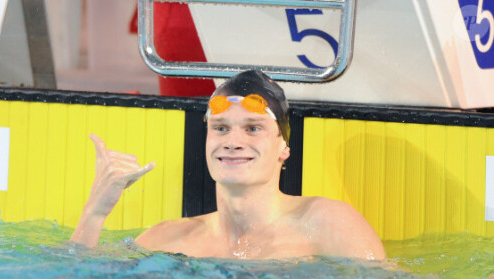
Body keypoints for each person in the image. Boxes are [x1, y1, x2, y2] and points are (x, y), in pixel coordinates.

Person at [70, 70, 386, 261]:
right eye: (220, 128)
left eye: (252, 128)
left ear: (283, 148)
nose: (232, 141)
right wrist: (95, 212)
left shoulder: (327, 222)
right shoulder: (167, 239)